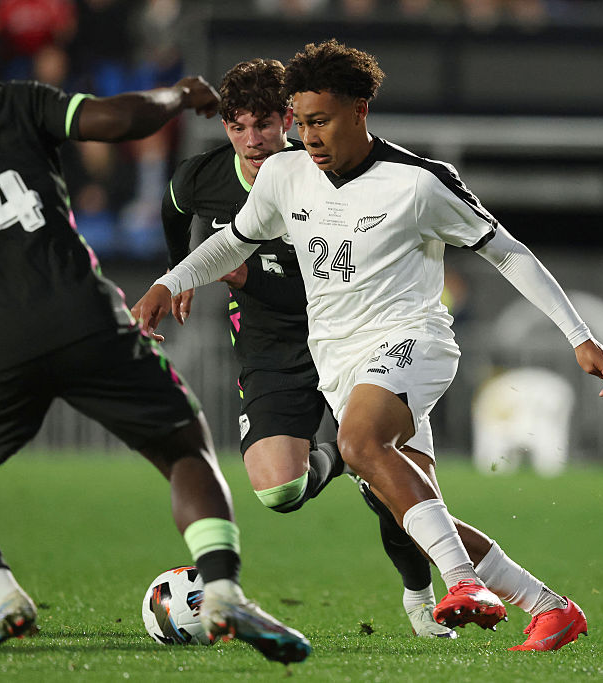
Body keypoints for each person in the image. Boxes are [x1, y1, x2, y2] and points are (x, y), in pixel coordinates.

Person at [0, 4, 309, 665]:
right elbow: (118, 120)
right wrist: (177, 94)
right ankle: (225, 588)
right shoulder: (14, 101)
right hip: (87, 314)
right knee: (183, 448)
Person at [133, 39, 603, 650]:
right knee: (412, 511)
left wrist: (579, 336)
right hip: (337, 361)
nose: (308, 137)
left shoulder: (418, 183)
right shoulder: (286, 175)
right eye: (303, 122)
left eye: (321, 122)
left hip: (411, 340)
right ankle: (549, 606)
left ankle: (464, 584)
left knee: (359, 442)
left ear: (360, 110)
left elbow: (508, 252)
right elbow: (235, 239)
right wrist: (170, 280)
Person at [146, 57, 455, 638]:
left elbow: (333, 280)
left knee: (394, 491)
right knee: (279, 489)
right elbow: (174, 207)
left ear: (288, 120)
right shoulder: (200, 177)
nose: (253, 139)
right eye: (237, 126)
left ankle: (420, 600)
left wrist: (246, 279)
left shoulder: (312, 176)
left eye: (264, 123)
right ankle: (342, 453)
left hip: (358, 337)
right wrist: (176, 273)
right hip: (269, 346)